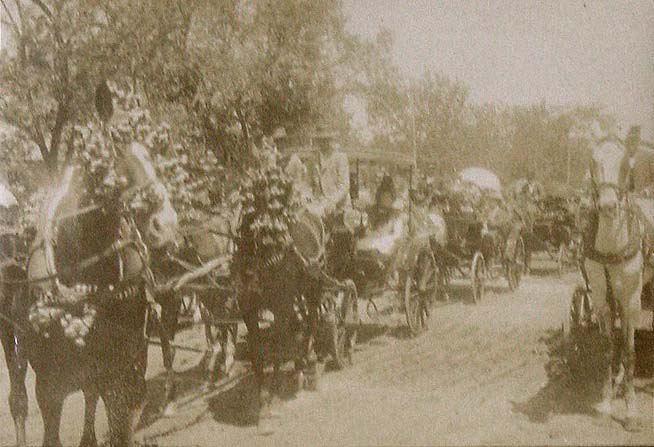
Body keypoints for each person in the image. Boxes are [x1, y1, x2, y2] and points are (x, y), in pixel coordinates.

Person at [308, 126, 351, 222]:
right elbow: (309, 184)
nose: (323, 143)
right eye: (320, 140)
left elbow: (344, 186)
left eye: (326, 140)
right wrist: (308, 197)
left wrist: (332, 201)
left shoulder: (340, 157)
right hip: (319, 206)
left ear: (331, 140)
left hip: (340, 208)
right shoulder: (314, 159)